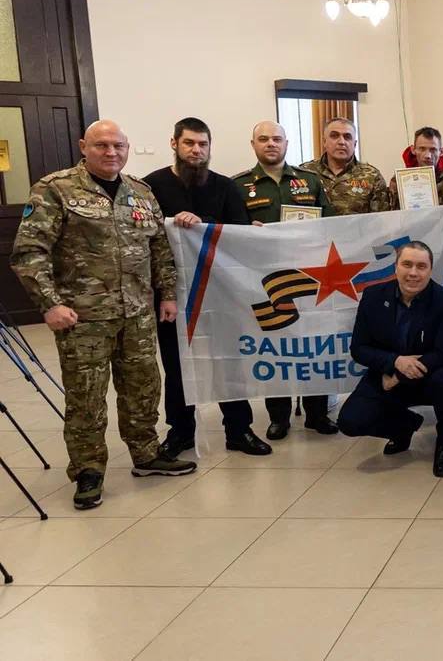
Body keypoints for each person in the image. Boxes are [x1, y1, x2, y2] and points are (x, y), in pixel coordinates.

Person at [11, 119, 197, 510]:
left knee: (143, 388)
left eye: (118, 145)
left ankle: (146, 454)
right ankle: (88, 470)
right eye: (101, 145)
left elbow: (159, 249)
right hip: (82, 318)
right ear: (84, 146)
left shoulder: (141, 192)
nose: (111, 152)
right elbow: (29, 252)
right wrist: (50, 303)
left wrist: (167, 295)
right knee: (86, 397)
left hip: (137, 314)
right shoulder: (55, 189)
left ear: (127, 148)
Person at [144, 117, 271, 458]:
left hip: (220, 291)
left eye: (203, 144)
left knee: (228, 361)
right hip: (171, 294)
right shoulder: (151, 186)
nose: (196, 150)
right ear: (174, 144)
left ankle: (239, 429)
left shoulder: (225, 187)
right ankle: (181, 431)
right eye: (189, 143)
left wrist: (206, 225)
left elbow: (238, 233)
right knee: (176, 364)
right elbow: (145, 237)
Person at [233, 120, 338, 440]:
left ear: (286, 144)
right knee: (275, 346)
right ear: (253, 144)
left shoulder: (310, 181)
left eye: (277, 139)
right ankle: (278, 416)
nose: (271, 144)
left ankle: (317, 413)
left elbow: (332, 224)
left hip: (309, 276)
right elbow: (229, 231)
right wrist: (246, 231)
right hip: (264, 277)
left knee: (313, 344)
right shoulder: (239, 186)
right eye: (263, 139)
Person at [336, 240, 443, 477]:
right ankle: (404, 427)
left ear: (430, 270)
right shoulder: (373, 297)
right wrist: (395, 363)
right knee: (350, 421)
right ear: (396, 267)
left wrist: (399, 376)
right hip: (386, 372)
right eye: (407, 264)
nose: (413, 272)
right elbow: (359, 348)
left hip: (429, 374)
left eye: (421, 266)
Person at [299, 117, 391, 214]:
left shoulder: (372, 176)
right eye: (334, 136)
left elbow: (381, 219)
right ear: (324, 141)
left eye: (347, 137)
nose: (341, 142)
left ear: (354, 144)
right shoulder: (305, 172)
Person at [390, 126, 443, 209]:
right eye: (422, 149)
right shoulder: (399, 180)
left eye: (433, 150)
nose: (428, 156)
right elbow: (393, 212)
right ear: (413, 150)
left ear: (441, 151)